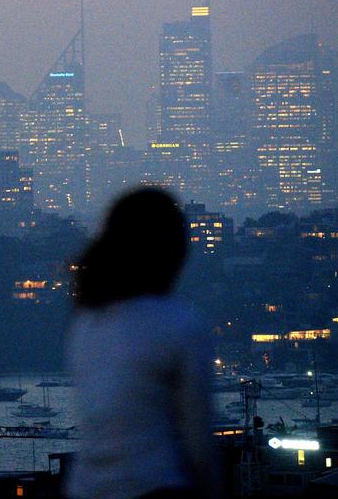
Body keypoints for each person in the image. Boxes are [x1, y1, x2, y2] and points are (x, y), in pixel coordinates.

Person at [66, 188, 221, 499]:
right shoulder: (180, 322)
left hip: (85, 488)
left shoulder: (86, 323)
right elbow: (199, 441)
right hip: (156, 487)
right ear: (171, 252)